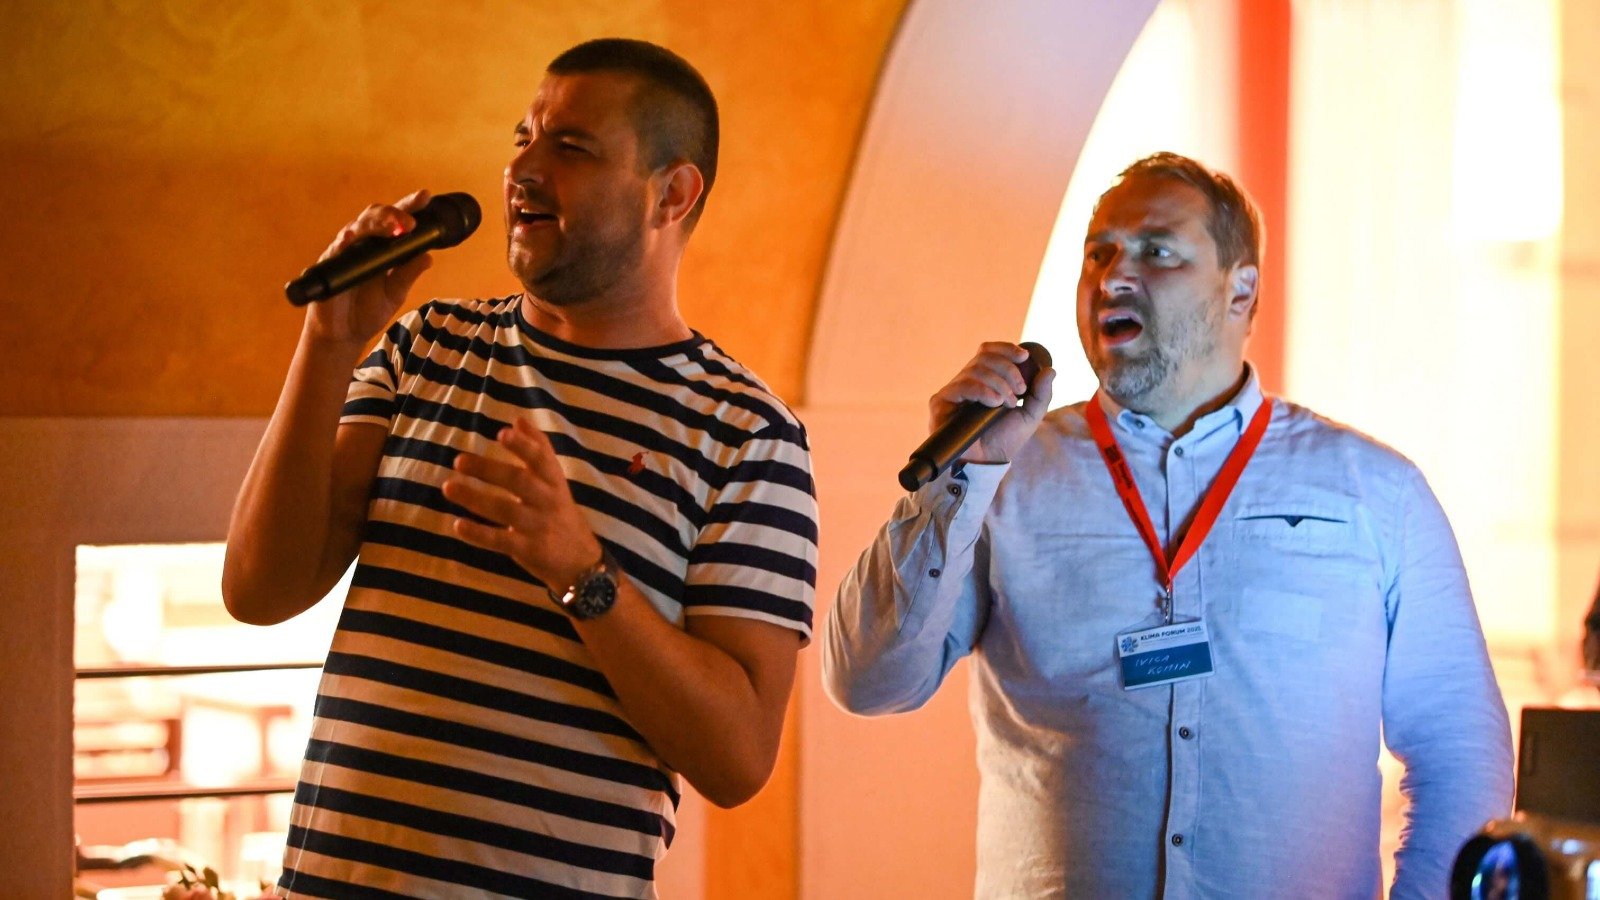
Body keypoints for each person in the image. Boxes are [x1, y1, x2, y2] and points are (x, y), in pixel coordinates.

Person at [822, 152, 1513, 899]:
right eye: (1099, 252)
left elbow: (1461, 751)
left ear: (1240, 290)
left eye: (1156, 252)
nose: (1115, 275)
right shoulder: (1003, 476)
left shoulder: (1374, 491)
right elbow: (866, 682)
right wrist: (956, 483)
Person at [223, 38, 818, 899]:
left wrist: (582, 573)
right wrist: (329, 341)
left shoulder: (748, 434)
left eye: (571, 147)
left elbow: (738, 758)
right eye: (523, 137)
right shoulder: (425, 347)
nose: (523, 170)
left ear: (673, 194)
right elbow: (258, 590)